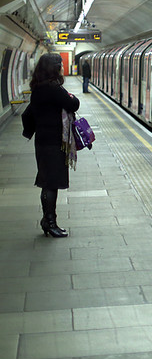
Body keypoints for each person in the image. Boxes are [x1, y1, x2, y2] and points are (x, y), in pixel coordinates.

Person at [21, 54, 80, 238]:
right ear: (54, 68)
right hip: (53, 143)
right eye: (61, 65)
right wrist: (71, 96)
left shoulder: (39, 87)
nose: (63, 68)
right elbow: (73, 104)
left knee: (49, 182)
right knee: (50, 183)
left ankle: (49, 220)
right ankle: (49, 222)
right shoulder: (53, 88)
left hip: (44, 141)